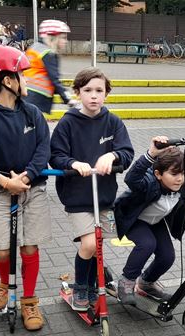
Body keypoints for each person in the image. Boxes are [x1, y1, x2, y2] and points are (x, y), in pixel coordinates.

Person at [0, 45, 52, 331]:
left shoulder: (33, 114)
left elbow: (43, 148)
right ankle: (4, 284)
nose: (26, 80)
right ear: (7, 81)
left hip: (34, 190)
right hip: (4, 193)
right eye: (21, 75)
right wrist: (5, 182)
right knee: (3, 251)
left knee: (29, 247)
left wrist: (26, 177)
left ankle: (29, 300)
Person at [50, 67, 134, 311]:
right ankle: (81, 287)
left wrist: (113, 155)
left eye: (99, 90)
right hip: (77, 197)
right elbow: (55, 155)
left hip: (104, 197)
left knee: (97, 245)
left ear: (106, 94)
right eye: (88, 90)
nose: (94, 96)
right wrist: (73, 163)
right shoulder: (68, 123)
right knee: (89, 245)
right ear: (77, 93)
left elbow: (127, 153)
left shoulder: (113, 122)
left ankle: (95, 279)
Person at [112, 132, 185, 305]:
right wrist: (150, 154)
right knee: (147, 244)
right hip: (133, 219)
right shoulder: (149, 181)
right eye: (173, 174)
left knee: (167, 256)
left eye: (182, 173)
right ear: (158, 174)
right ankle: (126, 282)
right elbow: (131, 178)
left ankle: (146, 283)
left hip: (155, 221)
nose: (179, 179)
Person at [23, 19, 77, 114]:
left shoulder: (34, 48)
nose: (66, 41)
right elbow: (54, 78)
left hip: (25, 95)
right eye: (63, 37)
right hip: (37, 98)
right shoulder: (48, 53)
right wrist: (68, 99)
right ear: (52, 38)